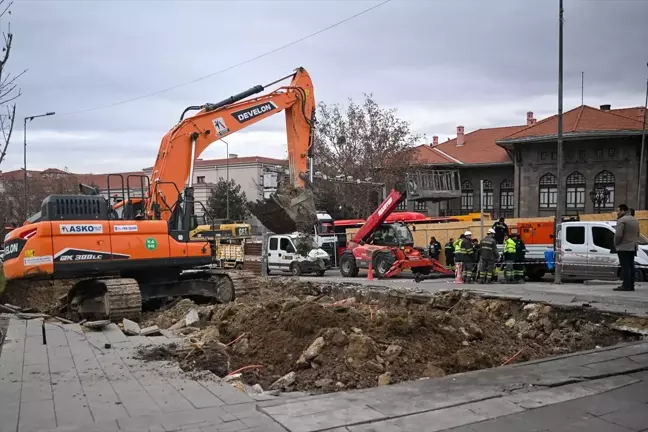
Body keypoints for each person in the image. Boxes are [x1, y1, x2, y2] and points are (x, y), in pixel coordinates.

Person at [614, 203, 640, 291]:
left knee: (625, 267)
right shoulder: (635, 220)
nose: (617, 213)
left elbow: (618, 235)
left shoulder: (622, 220)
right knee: (631, 266)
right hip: (633, 246)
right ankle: (631, 285)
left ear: (622, 210)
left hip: (623, 247)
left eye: (618, 211)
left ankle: (625, 285)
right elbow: (638, 234)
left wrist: (616, 243)